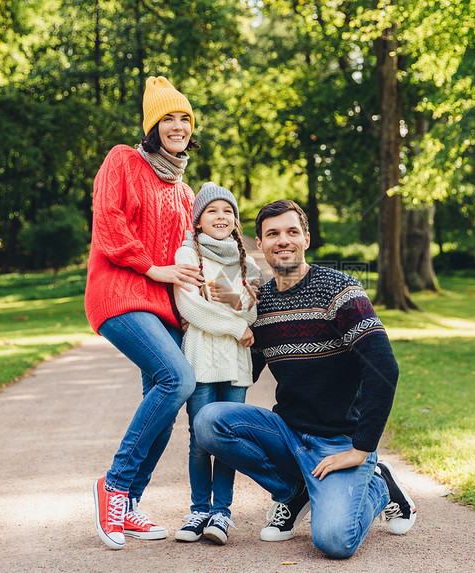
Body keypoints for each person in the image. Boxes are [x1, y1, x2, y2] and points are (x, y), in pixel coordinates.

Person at [194, 199, 417, 559]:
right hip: (290, 433)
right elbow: (244, 373)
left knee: (333, 541)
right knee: (209, 422)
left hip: (340, 441)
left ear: (307, 238)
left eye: (291, 232)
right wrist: (214, 327)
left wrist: (361, 449)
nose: (283, 240)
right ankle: (294, 490)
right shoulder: (259, 303)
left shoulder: (339, 288)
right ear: (260, 243)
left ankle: (379, 486)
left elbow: (383, 367)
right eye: (273, 234)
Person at [85, 76, 204, 550]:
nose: (177, 126)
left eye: (184, 119)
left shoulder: (186, 191)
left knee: (168, 398)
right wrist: (154, 268)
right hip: (119, 293)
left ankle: (129, 503)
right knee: (178, 378)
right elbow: (108, 225)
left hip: (165, 309)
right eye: (167, 118)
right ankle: (113, 487)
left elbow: (196, 256)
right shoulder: (123, 160)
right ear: (152, 126)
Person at [171, 182, 262, 546]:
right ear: (198, 220)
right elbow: (190, 307)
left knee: (228, 438)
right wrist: (235, 322)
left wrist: (240, 306)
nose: (220, 217)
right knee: (199, 438)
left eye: (227, 211)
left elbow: (254, 313)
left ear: (236, 221)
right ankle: (198, 509)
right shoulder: (187, 257)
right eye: (212, 211)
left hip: (235, 364)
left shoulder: (248, 263)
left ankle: (222, 513)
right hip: (200, 358)